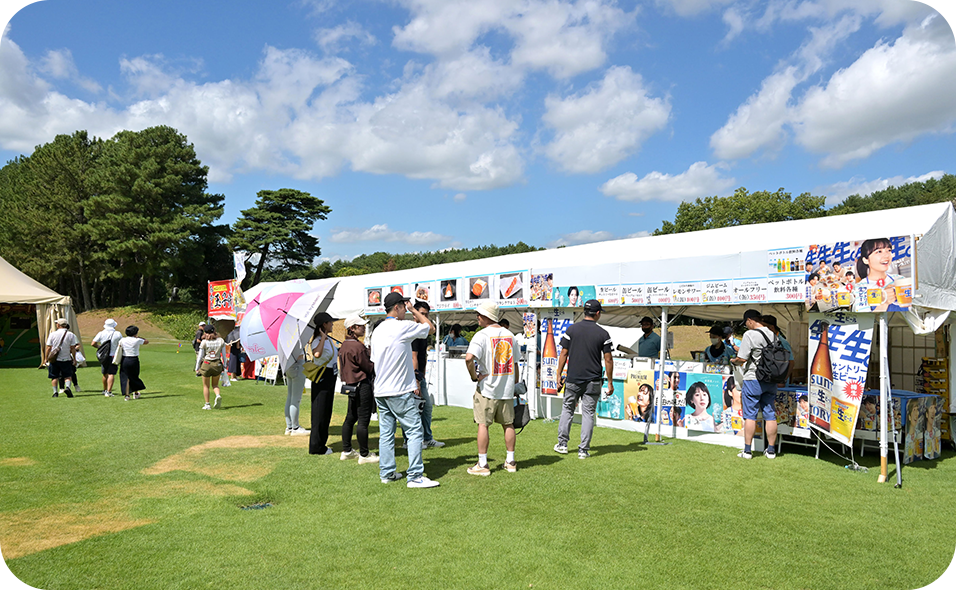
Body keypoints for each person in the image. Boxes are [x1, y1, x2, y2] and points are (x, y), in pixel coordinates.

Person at [369, 292, 440, 488]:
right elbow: (430, 328)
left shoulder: (378, 330)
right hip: (399, 389)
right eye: (404, 306)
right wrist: (414, 310)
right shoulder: (401, 326)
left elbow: (374, 360)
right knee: (415, 431)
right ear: (398, 307)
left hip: (381, 390)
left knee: (386, 433)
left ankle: (387, 472)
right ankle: (415, 475)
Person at [464, 301, 519, 475]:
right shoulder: (510, 335)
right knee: (508, 424)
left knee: (483, 424)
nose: (477, 317)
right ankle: (510, 461)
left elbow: (468, 358)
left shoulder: (481, 336)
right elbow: (515, 364)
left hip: (487, 388)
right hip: (507, 388)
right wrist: (515, 385)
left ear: (486, 316)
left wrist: (474, 376)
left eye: (479, 314)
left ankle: (483, 464)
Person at [554, 299, 614, 459]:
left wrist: (558, 374)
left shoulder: (572, 330)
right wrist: (609, 381)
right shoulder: (603, 333)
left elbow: (563, 354)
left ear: (584, 312)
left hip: (573, 379)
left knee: (567, 409)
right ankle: (583, 450)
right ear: (598, 313)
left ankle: (562, 444)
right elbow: (608, 360)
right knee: (588, 413)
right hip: (593, 380)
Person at [731, 310, 778, 459]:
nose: (746, 326)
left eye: (746, 323)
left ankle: (747, 451)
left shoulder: (749, 335)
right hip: (770, 380)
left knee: (750, 415)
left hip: (753, 378)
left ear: (750, 320)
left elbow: (742, 359)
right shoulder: (772, 334)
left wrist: (733, 360)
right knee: (770, 415)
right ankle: (771, 450)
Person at [338, 314, 378, 464]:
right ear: (352, 328)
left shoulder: (345, 345)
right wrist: (369, 354)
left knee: (350, 418)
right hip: (362, 385)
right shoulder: (357, 346)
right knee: (363, 421)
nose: (363, 328)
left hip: (351, 386)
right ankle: (364, 454)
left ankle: (347, 450)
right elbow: (369, 367)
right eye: (360, 326)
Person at [407, 301, 444, 449]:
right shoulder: (414, 331)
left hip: (419, 376)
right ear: (415, 314)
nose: (425, 317)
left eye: (427, 314)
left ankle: (426, 437)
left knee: (425, 407)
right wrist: (416, 380)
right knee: (414, 408)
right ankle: (410, 440)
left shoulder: (423, 332)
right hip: (413, 377)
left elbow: (423, 355)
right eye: (422, 314)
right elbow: (413, 356)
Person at [309, 312, 339, 455]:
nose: (332, 324)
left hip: (330, 376)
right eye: (330, 322)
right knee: (319, 411)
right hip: (322, 376)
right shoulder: (317, 340)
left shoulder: (328, 340)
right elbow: (317, 354)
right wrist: (322, 338)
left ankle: (322, 443)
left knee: (326, 411)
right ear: (324, 325)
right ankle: (316, 446)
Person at [855, 237, 900, 312]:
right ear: (866, 260)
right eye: (879, 251)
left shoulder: (900, 279)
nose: (887, 255)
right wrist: (884, 302)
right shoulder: (860, 288)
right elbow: (867, 321)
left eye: (889, 250)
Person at [113, 325, 149, 401]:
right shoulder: (137, 340)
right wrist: (139, 337)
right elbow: (146, 341)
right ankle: (135, 393)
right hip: (134, 359)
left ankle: (127, 395)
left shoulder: (122, 340)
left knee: (125, 377)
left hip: (125, 359)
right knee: (134, 376)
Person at [46, 318, 79, 398]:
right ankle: (67, 387)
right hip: (66, 358)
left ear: (58, 325)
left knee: (54, 376)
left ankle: (55, 392)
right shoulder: (71, 334)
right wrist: (74, 359)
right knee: (68, 375)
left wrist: (46, 358)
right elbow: (73, 348)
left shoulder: (53, 334)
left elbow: (48, 347)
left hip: (55, 359)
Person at [195, 324, 224, 409]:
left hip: (207, 364)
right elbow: (224, 355)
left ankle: (207, 404)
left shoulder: (204, 342)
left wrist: (197, 367)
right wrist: (225, 364)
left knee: (206, 386)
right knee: (215, 385)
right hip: (217, 363)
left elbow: (200, 356)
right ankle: (217, 395)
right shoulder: (220, 340)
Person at [91, 318, 123, 397]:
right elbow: (122, 344)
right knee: (111, 373)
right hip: (113, 355)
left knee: (105, 373)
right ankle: (109, 391)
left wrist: (100, 347)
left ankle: (105, 390)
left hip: (104, 356)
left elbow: (93, 343)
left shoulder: (101, 333)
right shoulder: (118, 333)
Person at [761, 315, 794, 384]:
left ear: (772, 327)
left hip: (779, 382)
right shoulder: (765, 340)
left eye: (764, 327)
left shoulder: (783, 342)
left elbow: (791, 362)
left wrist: (783, 380)